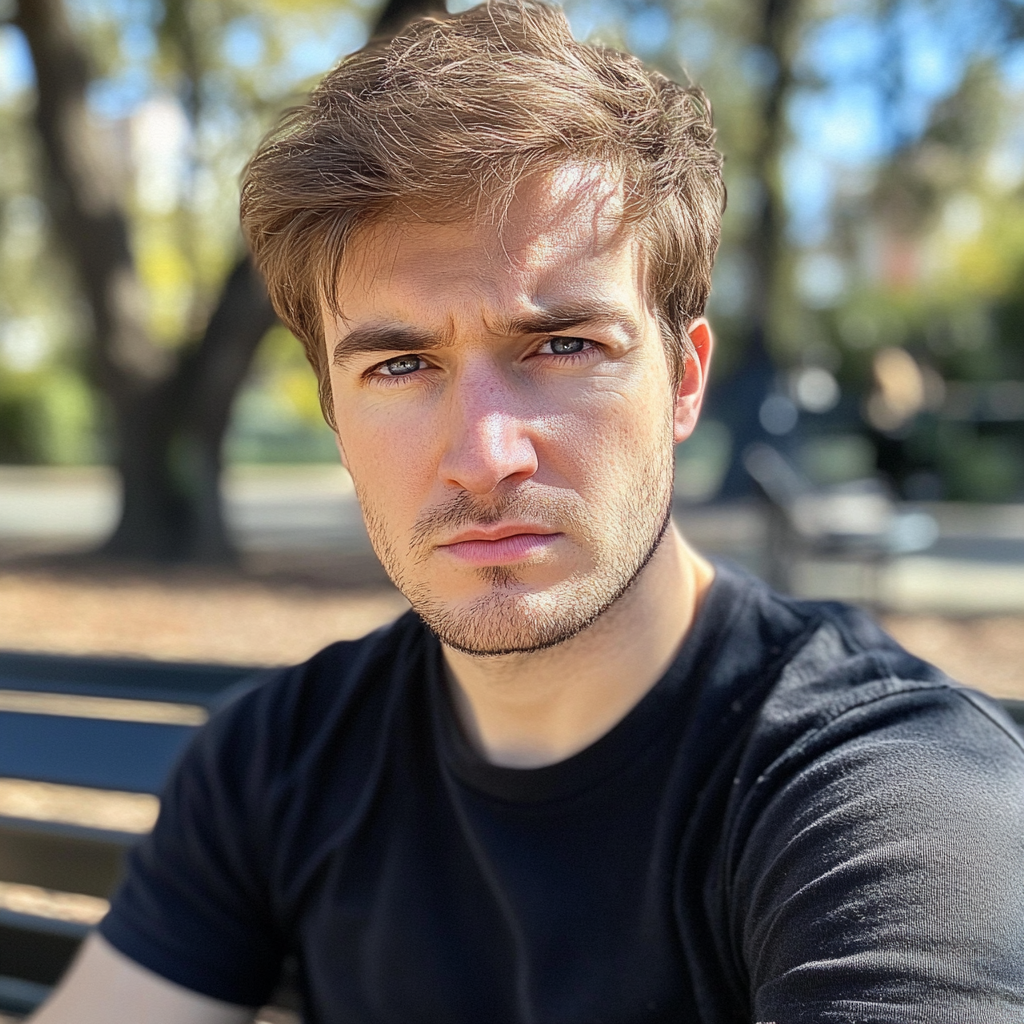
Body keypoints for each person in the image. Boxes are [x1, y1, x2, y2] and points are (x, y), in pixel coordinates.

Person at [31, 2, 1024, 1022]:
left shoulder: (885, 803)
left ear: (683, 383)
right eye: (402, 364)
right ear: (334, 411)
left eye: (562, 347)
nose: (482, 456)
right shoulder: (276, 761)